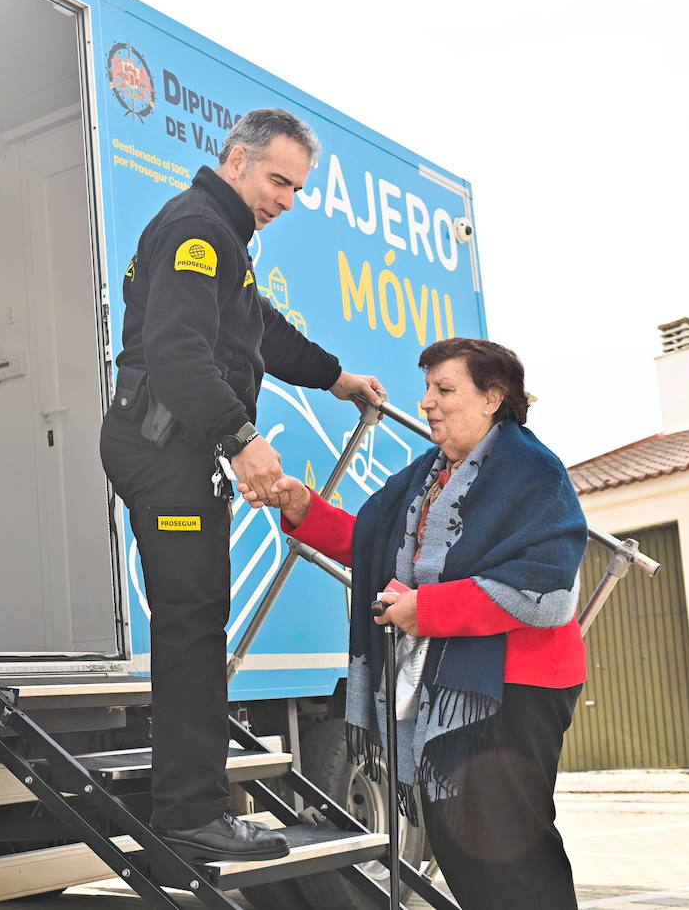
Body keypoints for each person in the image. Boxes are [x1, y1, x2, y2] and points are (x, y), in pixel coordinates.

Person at [99, 107, 386, 862]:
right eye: (278, 179)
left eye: (297, 187)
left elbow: (260, 329)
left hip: (179, 450)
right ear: (236, 161)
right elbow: (176, 352)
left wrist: (336, 377)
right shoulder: (199, 230)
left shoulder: (226, 238)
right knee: (193, 627)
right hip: (167, 449)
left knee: (197, 622)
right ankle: (191, 816)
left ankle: (192, 807)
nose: (287, 199)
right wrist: (244, 438)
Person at [239, 337, 587, 909]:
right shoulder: (430, 474)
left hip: (519, 685)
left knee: (509, 845)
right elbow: (372, 546)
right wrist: (303, 508)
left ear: (493, 398)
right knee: (457, 839)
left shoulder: (533, 472)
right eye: (427, 388)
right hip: (454, 683)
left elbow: (544, 592)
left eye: (444, 389)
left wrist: (427, 611)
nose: (426, 402)